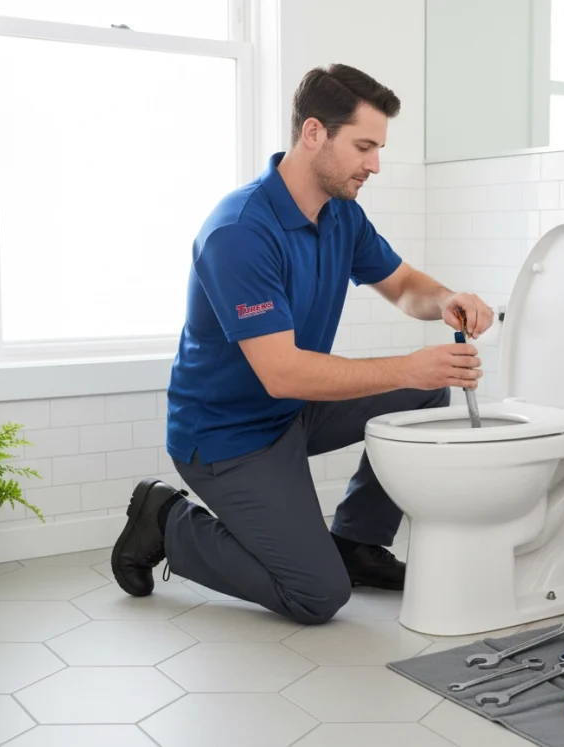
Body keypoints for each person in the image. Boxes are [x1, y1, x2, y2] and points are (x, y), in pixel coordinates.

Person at [110, 63, 493, 625]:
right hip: (227, 437)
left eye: (379, 148)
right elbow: (282, 373)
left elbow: (406, 287)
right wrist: (410, 366)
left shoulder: (341, 214)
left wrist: (446, 299)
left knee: (424, 394)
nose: (375, 165)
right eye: (365, 146)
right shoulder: (239, 232)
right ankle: (165, 519)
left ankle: (356, 543)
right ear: (314, 133)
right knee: (317, 596)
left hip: (293, 412)